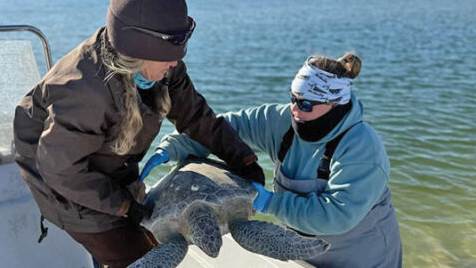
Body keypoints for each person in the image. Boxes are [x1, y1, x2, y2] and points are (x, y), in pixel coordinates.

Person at [13, 0, 264, 268]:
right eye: (168, 56)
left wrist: (243, 160)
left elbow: (195, 116)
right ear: (136, 52)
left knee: (150, 239)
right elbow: (61, 171)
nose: (175, 62)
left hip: (102, 159)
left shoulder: (164, 65)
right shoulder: (85, 92)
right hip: (58, 177)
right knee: (135, 256)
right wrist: (122, 205)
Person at [145, 53, 402, 268]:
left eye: (307, 105)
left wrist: (271, 203)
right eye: (293, 99)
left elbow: (335, 216)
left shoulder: (362, 148)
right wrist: (173, 147)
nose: (296, 110)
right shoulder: (283, 123)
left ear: (335, 104)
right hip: (305, 252)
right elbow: (220, 130)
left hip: (363, 256)